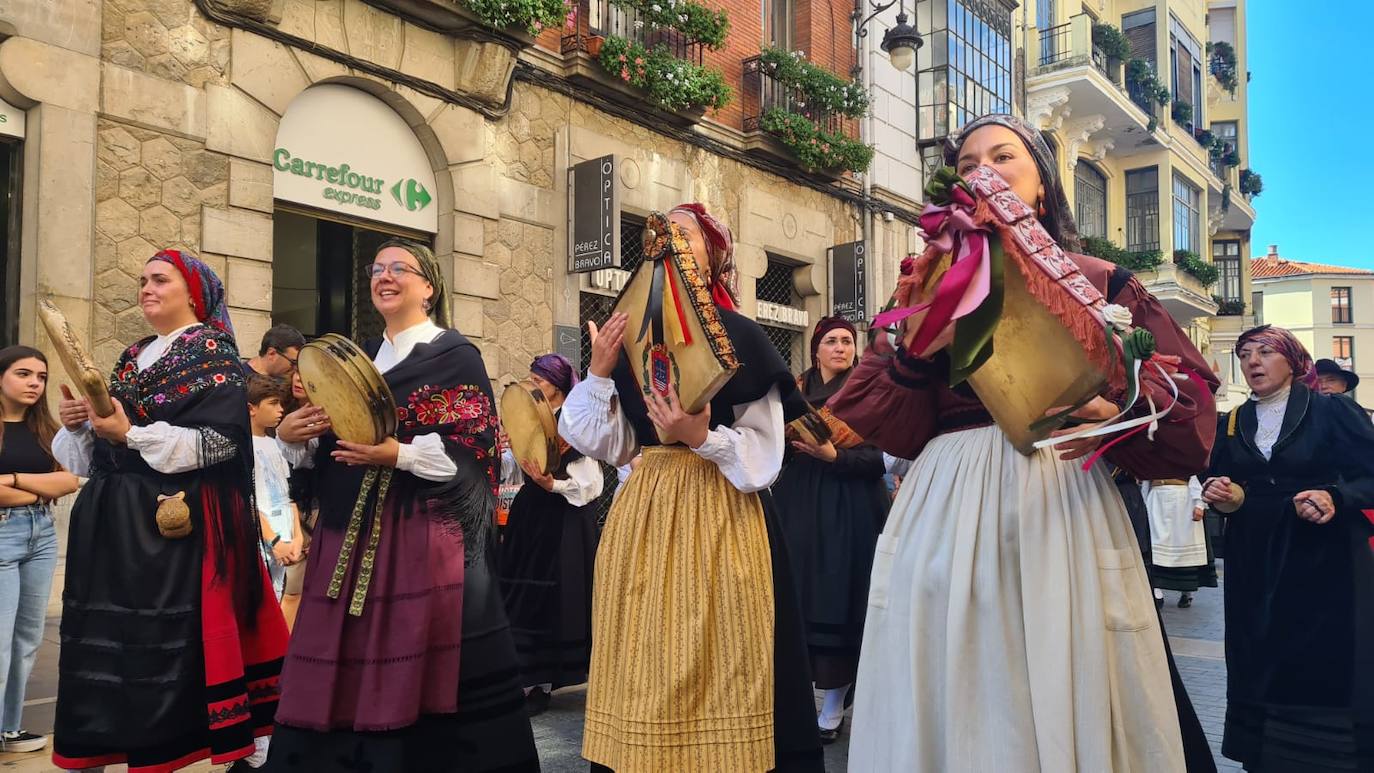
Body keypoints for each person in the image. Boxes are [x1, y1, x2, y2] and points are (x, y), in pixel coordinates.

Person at [831, 114, 1218, 772]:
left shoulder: (1099, 281)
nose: (983, 170)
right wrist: (923, 352)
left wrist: (1110, 406)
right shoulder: (921, 290)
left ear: (1042, 188)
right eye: (968, 161)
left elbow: (1190, 413)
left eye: (1004, 156)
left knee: (1060, 675)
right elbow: (888, 423)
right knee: (946, 689)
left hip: (1058, 505)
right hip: (944, 507)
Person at [560, 205, 822, 772]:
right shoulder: (632, 341)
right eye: (662, 232)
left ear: (712, 257)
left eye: (684, 233)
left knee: (721, 652)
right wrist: (600, 371)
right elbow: (604, 443)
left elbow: (764, 456)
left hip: (723, 512)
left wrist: (702, 437)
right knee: (644, 655)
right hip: (645, 510)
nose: (667, 240)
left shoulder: (743, 336)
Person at [265, 239, 538, 772]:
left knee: (415, 659)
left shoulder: (456, 355)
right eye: (376, 269)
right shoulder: (358, 358)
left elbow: (473, 451)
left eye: (399, 269)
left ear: (429, 286)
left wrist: (399, 454)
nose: (383, 277)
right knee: (339, 662)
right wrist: (292, 435)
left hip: (419, 535)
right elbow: (328, 447)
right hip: (348, 533)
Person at [50, 249, 288, 771]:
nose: (146, 288)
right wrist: (79, 424)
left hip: (171, 529)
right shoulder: (132, 356)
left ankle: (166, 748)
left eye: (160, 279)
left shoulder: (213, 353)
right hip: (113, 527)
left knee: (160, 642)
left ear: (194, 294)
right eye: (142, 280)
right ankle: (107, 742)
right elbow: (96, 454)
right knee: (113, 643)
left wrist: (129, 432)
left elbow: (220, 442)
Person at [1203, 325, 1374, 773]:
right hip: (1254, 560)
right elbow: (1222, 477)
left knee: (1320, 657)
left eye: (1264, 352)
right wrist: (1224, 492)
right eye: (1244, 354)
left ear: (1293, 361)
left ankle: (1325, 758)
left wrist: (1336, 498)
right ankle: (1268, 756)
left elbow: (1369, 476)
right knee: (1258, 652)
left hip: (1324, 559)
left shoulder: (1331, 412)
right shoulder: (1234, 421)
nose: (1252, 362)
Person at [770, 317, 888, 743]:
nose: (840, 348)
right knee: (797, 599)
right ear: (816, 348)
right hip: (798, 506)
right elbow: (775, 448)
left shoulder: (870, 392)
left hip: (851, 508)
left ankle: (834, 707)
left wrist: (832, 455)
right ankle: (797, 701)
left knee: (840, 600)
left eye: (847, 342)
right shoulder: (794, 393)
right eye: (832, 341)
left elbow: (881, 460)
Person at [497, 354, 603, 716]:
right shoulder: (531, 418)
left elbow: (590, 485)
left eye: (538, 380)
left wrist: (552, 484)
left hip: (563, 520)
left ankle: (541, 684)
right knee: (521, 591)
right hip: (531, 515)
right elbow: (518, 463)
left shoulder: (574, 425)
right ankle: (521, 677)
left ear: (556, 388)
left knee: (550, 596)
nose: (532, 385)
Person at [0, 347, 79, 754]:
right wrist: (37, 485)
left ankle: (9, 728)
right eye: (23, 373)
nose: (34, 382)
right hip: (2, 536)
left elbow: (69, 482)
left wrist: (12, 478)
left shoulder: (45, 428)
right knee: (0, 639)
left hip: (41, 536)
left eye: (41, 376)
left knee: (28, 636)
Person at [247, 374, 304, 603]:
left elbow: (287, 496)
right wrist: (273, 540)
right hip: (261, 540)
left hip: (285, 540)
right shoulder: (242, 447)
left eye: (280, 403)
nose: (280, 409)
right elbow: (246, 500)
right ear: (251, 408)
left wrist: (297, 537)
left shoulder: (274, 444)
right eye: (273, 403)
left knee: (277, 598)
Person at [1141, 476, 1216, 608]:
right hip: (1157, 500)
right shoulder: (1150, 455)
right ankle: (1156, 589)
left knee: (1183, 545)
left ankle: (1186, 591)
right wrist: (1143, 502)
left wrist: (1199, 503)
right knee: (1155, 545)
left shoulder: (1187, 455)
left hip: (1182, 501)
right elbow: (1146, 480)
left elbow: (1195, 475)